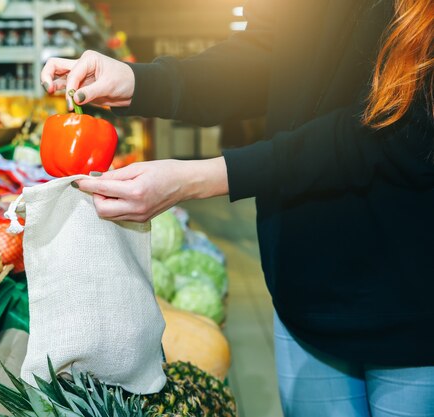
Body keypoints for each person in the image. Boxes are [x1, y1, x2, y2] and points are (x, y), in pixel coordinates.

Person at [41, 0, 434, 416]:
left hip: (410, 304)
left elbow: (399, 133)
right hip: (304, 293)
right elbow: (263, 58)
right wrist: (138, 81)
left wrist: (199, 178)